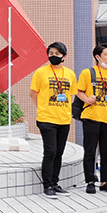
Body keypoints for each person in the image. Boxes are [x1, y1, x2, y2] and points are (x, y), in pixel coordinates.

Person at [29, 42, 77, 198]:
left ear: (64, 56)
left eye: (57, 53)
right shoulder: (40, 72)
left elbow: (71, 95)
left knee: (59, 153)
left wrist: (67, 111)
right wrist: (42, 108)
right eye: (51, 53)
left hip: (64, 119)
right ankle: (47, 185)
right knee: (50, 151)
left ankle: (55, 183)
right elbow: (33, 94)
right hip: (46, 119)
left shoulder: (70, 74)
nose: (53, 56)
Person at [77, 42, 107, 195]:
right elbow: (79, 92)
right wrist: (87, 99)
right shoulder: (88, 73)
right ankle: (90, 181)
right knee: (90, 151)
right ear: (98, 57)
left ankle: (105, 182)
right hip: (91, 117)